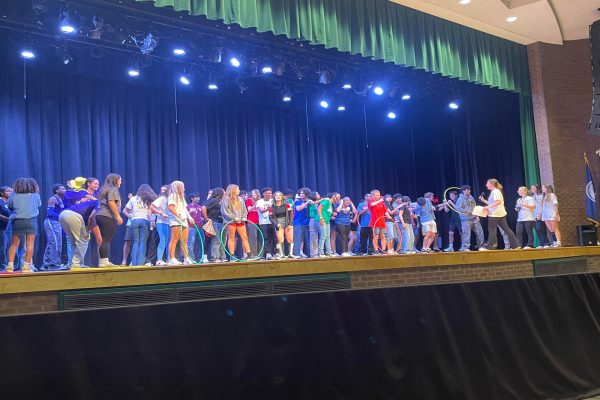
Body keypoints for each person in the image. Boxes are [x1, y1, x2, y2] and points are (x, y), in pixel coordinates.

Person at [6, 178, 41, 273]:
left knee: (14, 244)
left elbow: (10, 207)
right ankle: (26, 266)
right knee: (30, 244)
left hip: (18, 221)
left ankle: (10, 266)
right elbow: (38, 205)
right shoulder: (36, 195)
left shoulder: (13, 195)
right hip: (31, 221)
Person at [479, 178, 518, 250]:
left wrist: (488, 207)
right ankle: (515, 245)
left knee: (492, 229)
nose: (486, 185)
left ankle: (490, 246)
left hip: (495, 214)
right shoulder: (496, 192)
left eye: (487, 183)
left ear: (492, 184)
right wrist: (484, 200)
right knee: (506, 229)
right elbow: (493, 203)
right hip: (500, 214)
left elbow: (498, 202)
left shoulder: (495, 192)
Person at [59, 199, 98, 269]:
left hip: (63, 215)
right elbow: (91, 217)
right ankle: (77, 264)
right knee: (83, 240)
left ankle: (71, 264)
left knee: (74, 242)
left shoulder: (93, 202)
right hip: (73, 215)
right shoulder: (100, 203)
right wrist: (88, 230)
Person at [124, 184, 156, 266]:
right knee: (142, 242)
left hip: (134, 221)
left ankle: (134, 263)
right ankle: (140, 263)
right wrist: (152, 221)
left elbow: (124, 211)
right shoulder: (149, 199)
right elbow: (150, 212)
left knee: (135, 242)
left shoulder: (133, 198)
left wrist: (132, 217)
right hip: (144, 220)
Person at [95, 173, 123, 267]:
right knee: (106, 239)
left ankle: (103, 261)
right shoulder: (113, 189)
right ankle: (103, 262)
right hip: (107, 216)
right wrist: (118, 216)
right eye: (120, 180)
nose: (121, 182)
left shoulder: (104, 189)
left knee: (104, 239)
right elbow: (111, 203)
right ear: (115, 180)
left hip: (100, 215)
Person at [221, 184, 251, 260]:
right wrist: (234, 217)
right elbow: (225, 212)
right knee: (232, 237)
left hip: (241, 221)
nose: (239, 191)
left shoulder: (240, 199)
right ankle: (232, 255)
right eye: (238, 189)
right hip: (231, 221)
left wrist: (244, 217)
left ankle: (249, 255)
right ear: (233, 190)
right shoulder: (226, 199)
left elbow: (244, 210)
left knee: (244, 237)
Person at [167, 181, 193, 265]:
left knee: (184, 241)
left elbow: (185, 209)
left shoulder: (181, 197)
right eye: (183, 186)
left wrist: (190, 217)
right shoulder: (173, 196)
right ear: (178, 187)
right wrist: (179, 216)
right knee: (174, 240)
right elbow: (171, 207)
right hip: (176, 221)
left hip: (184, 221)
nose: (184, 188)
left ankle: (186, 258)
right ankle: (172, 258)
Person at [42, 183, 66, 269]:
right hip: (51, 222)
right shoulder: (53, 199)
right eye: (62, 189)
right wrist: (60, 217)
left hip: (57, 223)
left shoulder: (62, 199)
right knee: (55, 243)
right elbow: (50, 213)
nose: (64, 190)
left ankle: (46, 264)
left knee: (51, 243)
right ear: (57, 191)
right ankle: (54, 264)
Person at [455, 185, 485, 252]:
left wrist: (477, 215)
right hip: (466, 220)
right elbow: (458, 209)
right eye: (468, 190)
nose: (469, 191)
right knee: (466, 234)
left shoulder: (471, 197)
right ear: (464, 191)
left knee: (480, 232)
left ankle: (480, 246)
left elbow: (474, 207)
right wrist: (466, 211)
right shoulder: (460, 199)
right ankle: (466, 247)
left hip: (474, 218)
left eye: (469, 189)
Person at [203, 187, 227, 263]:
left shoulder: (222, 201)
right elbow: (204, 207)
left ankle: (222, 257)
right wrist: (206, 217)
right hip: (215, 222)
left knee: (223, 240)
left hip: (222, 222)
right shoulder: (214, 200)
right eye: (223, 192)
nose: (225, 193)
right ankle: (215, 257)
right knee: (217, 240)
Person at [150, 185, 171, 266]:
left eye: (164, 190)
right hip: (161, 222)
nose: (162, 191)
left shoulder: (170, 199)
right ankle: (159, 260)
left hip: (169, 222)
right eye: (161, 190)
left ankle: (169, 259)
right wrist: (161, 213)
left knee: (168, 241)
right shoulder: (161, 199)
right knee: (163, 240)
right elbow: (152, 207)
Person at [317, 193, 339, 257]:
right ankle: (320, 252)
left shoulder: (331, 204)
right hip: (322, 220)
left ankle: (328, 252)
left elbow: (327, 211)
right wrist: (321, 218)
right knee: (323, 236)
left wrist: (332, 215)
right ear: (333, 196)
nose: (337, 199)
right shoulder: (326, 201)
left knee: (327, 237)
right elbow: (319, 209)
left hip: (327, 221)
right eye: (336, 197)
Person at [291, 188, 311, 259]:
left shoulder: (308, 201)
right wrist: (306, 202)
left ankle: (302, 252)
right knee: (297, 238)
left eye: (303, 193)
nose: (301, 195)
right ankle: (296, 253)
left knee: (304, 239)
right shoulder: (297, 201)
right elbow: (298, 209)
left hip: (306, 222)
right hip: (298, 222)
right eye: (301, 193)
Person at [256, 187, 275, 260]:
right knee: (265, 238)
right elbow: (261, 210)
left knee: (272, 238)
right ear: (263, 194)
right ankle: (267, 253)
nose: (269, 194)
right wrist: (268, 207)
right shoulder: (260, 201)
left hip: (272, 222)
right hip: (263, 222)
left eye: (270, 193)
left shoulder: (273, 200)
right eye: (268, 193)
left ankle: (271, 253)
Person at [187, 192, 205, 262]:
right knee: (191, 243)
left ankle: (202, 258)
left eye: (198, 197)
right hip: (192, 227)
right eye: (196, 197)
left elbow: (202, 216)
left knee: (202, 242)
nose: (198, 198)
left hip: (200, 227)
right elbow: (186, 217)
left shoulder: (200, 207)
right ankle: (191, 258)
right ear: (191, 198)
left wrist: (202, 218)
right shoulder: (188, 207)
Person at [368, 190, 387, 254]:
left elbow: (385, 212)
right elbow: (372, 205)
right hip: (375, 222)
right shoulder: (370, 201)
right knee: (375, 236)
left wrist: (389, 216)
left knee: (383, 236)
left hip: (382, 222)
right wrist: (380, 200)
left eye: (379, 195)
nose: (379, 196)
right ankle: (376, 250)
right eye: (377, 195)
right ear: (373, 196)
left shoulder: (382, 203)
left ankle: (384, 249)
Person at [530, 184, 550, 248]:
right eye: (531, 188)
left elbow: (542, 206)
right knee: (537, 230)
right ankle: (541, 243)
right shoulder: (531, 197)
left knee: (541, 229)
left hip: (540, 215)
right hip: (533, 216)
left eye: (533, 188)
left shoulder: (541, 196)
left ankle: (546, 243)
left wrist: (541, 214)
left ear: (537, 188)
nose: (532, 189)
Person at [272, 191, 290, 259]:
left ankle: (289, 254)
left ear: (282, 197)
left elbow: (290, 214)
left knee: (290, 239)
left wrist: (290, 223)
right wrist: (276, 224)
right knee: (280, 239)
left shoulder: (286, 205)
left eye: (280, 195)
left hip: (286, 222)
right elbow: (270, 217)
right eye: (276, 195)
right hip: (278, 223)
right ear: (274, 197)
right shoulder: (272, 206)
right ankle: (281, 254)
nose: (278, 196)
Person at [245, 189, 261, 257]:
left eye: (256, 194)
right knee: (252, 238)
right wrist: (255, 204)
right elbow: (249, 210)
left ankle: (260, 254)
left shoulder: (260, 201)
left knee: (260, 238)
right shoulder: (249, 200)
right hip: (252, 221)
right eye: (253, 194)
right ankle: (253, 254)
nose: (255, 195)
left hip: (260, 221)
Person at [307, 192, 322, 258]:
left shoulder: (320, 203)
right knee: (313, 238)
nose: (319, 195)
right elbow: (313, 203)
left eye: (319, 194)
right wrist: (322, 200)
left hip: (319, 219)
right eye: (317, 194)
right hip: (313, 220)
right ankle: (313, 254)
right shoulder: (310, 201)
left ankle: (320, 252)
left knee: (322, 236)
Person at [0, 186, 11, 268]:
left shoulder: (10, 202)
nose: (10, 193)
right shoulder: (0, 202)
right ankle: (3, 265)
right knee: (3, 246)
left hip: (10, 228)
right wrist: (9, 219)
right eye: (8, 191)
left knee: (10, 246)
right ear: (2, 193)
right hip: (2, 228)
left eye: (11, 191)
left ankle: (12, 264)